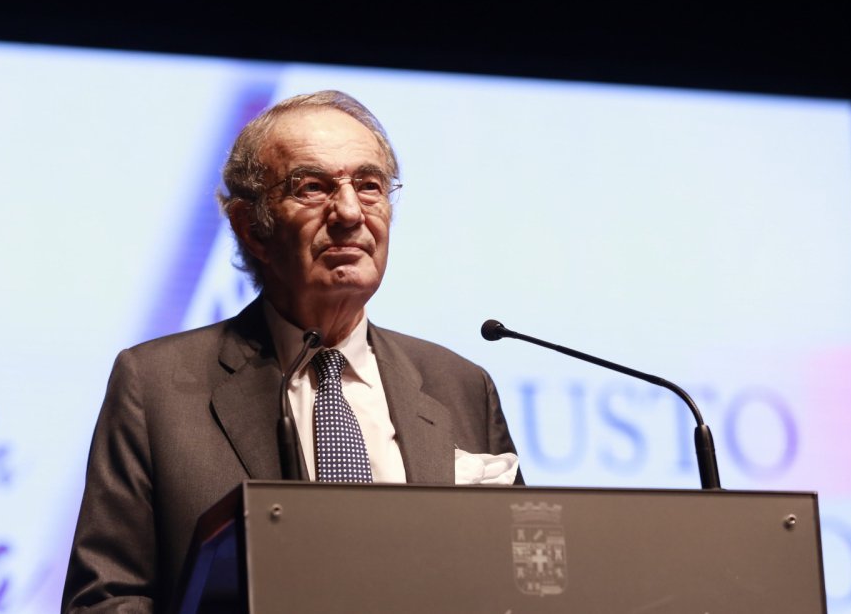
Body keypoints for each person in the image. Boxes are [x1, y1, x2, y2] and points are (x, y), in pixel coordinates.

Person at [61, 90, 521, 613]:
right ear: (251, 228)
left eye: (369, 186)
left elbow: (521, 583)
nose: (349, 211)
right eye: (312, 188)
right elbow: (105, 599)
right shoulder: (156, 385)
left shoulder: (458, 385)